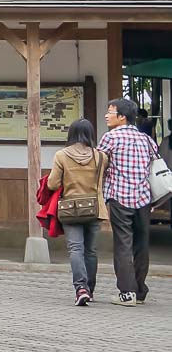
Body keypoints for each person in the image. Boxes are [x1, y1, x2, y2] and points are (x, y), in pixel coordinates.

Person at [98, 97, 159, 306]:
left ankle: (126, 293)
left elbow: (100, 165)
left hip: (119, 196)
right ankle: (140, 291)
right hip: (143, 198)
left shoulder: (110, 138)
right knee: (141, 244)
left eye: (110, 111)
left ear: (122, 117)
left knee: (123, 243)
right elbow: (154, 164)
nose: (107, 115)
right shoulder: (146, 139)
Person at [47, 118, 107, 306]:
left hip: (70, 209)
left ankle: (80, 288)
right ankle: (90, 288)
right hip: (95, 209)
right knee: (91, 251)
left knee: (76, 249)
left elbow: (52, 184)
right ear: (90, 133)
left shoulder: (61, 156)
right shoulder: (101, 156)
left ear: (71, 133)